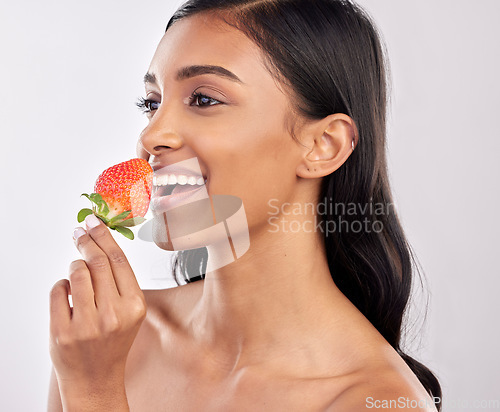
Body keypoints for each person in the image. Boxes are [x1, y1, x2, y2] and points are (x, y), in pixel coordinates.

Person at [48, 0, 442, 410]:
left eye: (203, 99)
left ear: (323, 146)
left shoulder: (378, 401)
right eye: (151, 103)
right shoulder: (107, 340)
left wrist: (94, 393)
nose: (151, 137)